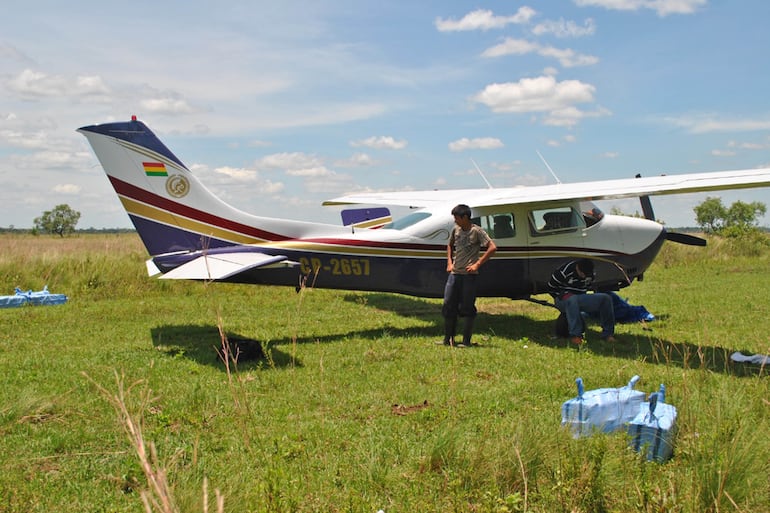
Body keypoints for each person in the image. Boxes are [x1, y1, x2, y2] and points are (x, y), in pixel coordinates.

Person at [438, 204, 497, 347]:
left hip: (469, 275)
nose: (455, 221)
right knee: (448, 305)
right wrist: (449, 262)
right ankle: (448, 339)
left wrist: (477, 264)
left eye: (457, 218)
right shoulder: (456, 230)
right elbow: (450, 245)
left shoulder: (477, 231)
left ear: (465, 217)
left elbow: (492, 247)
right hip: (455, 273)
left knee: (467, 307)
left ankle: (466, 340)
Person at [547, 258, 616, 344]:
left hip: (580, 297)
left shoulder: (590, 274)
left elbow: (589, 287)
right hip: (562, 300)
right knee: (572, 299)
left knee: (605, 298)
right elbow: (551, 287)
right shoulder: (564, 271)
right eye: (582, 274)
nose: (584, 276)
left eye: (587, 275)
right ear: (577, 268)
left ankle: (608, 334)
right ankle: (576, 335)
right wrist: (562, 296)